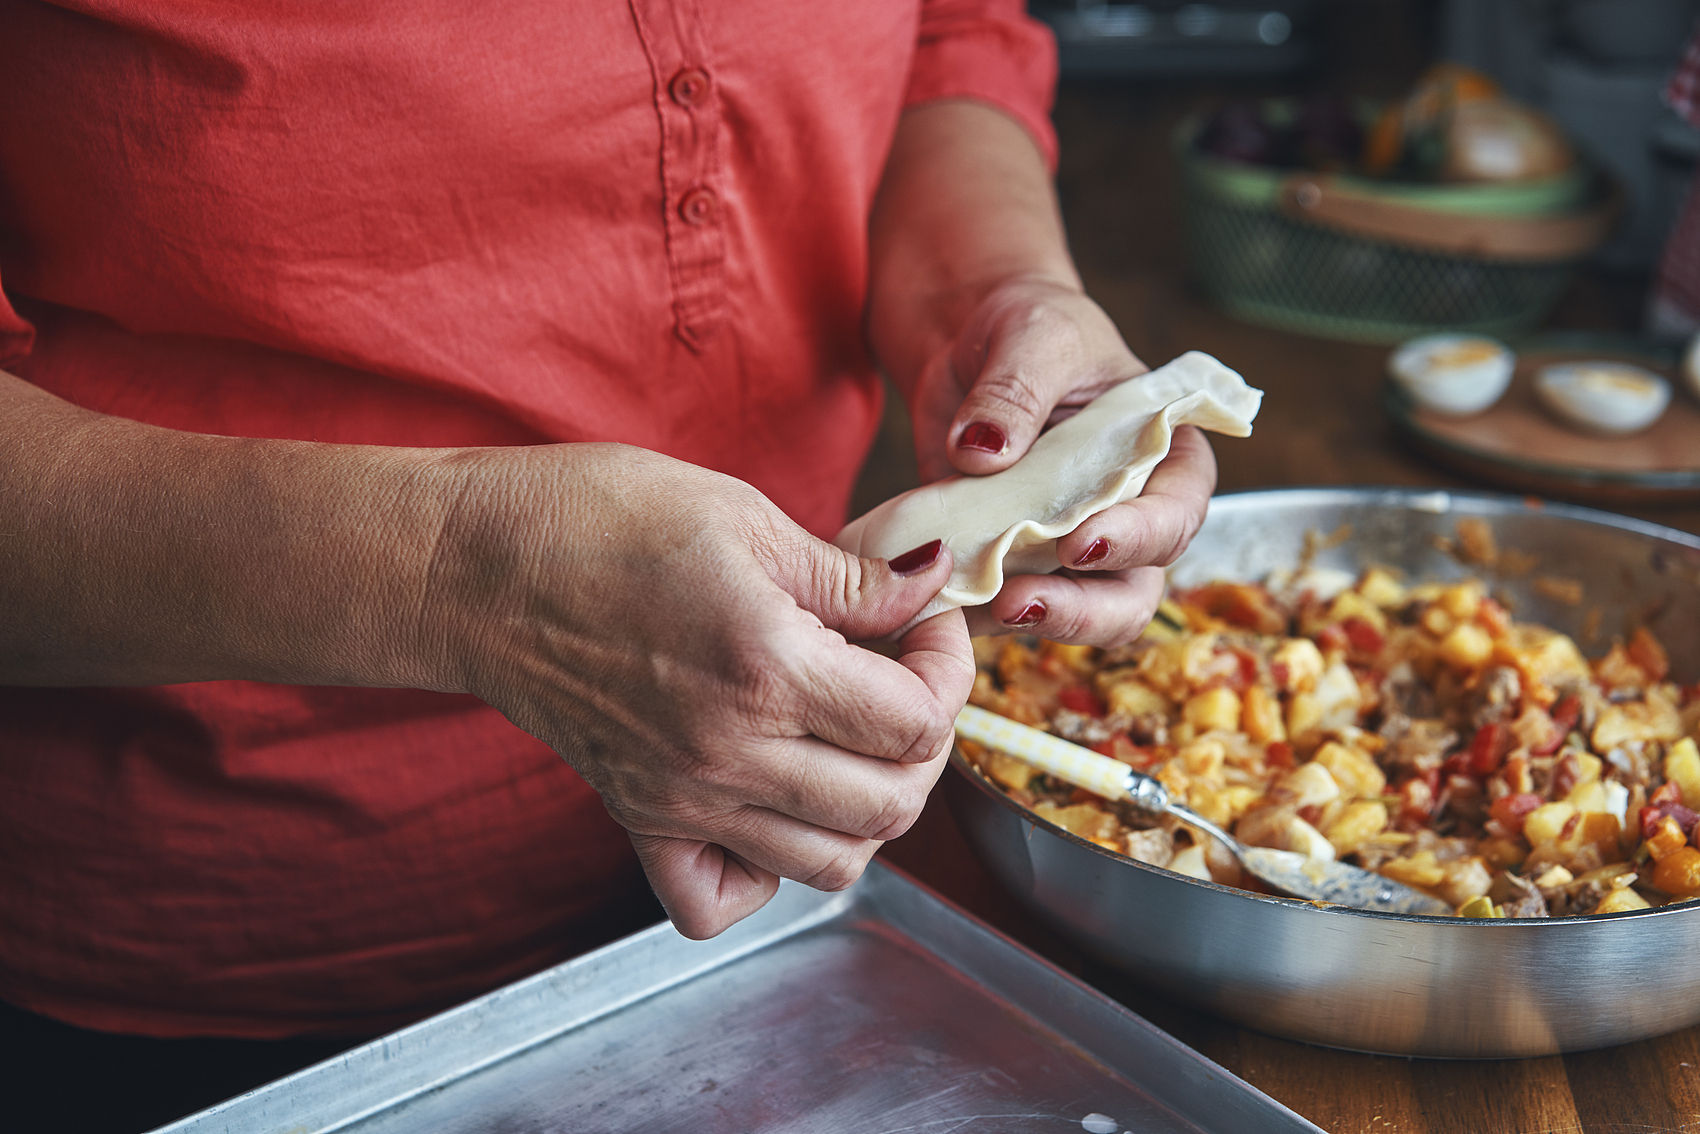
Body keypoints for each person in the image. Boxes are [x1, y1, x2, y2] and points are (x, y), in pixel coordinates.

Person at [0, 1, 1217, 1127]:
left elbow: (941, 38)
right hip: (228, 973)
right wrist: (464, 579)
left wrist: (990, 298)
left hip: (792, 878)